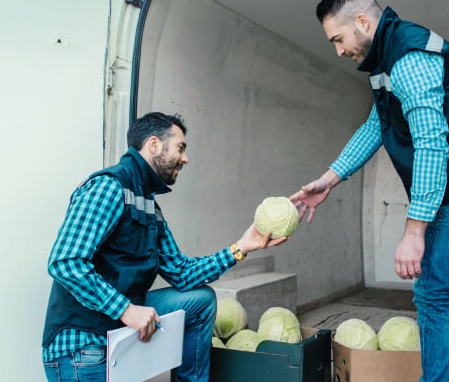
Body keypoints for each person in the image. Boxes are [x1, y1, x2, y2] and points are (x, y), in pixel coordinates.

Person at [289, 0, 449, 382]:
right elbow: (377, 125)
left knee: (432, 293)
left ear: (363, 22)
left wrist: (415, 229)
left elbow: (432, 147)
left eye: (338, 39)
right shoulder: (384, 59)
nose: (339, 51)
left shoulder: (409, 58)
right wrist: (329, 179)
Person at [41, 112, 288, 382]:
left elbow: (181, 272)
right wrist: (126, 310)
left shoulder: (148, 204)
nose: (185, 158)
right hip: (82, 342)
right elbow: (65, 262)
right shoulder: (109, 187)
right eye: (180, 148)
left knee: (200, 300)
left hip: (114, 329)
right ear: (154, 145)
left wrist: (241, 247)